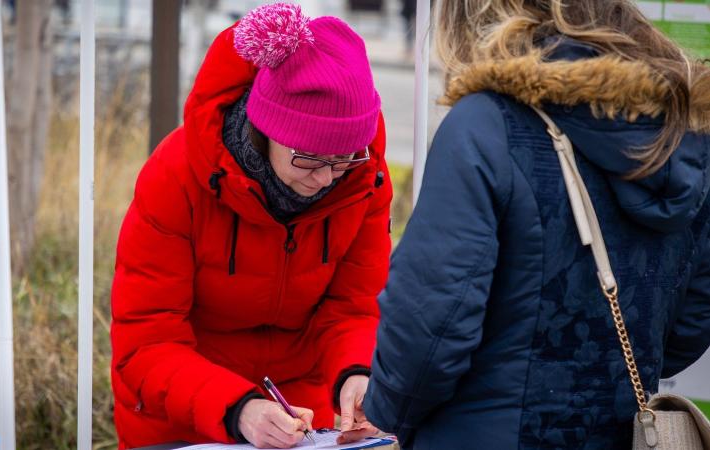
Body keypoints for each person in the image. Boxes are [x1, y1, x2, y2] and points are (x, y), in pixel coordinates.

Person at [363, 1, 710, 449]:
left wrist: (388, 411)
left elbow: (428, 330)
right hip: (621, 432)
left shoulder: (488, 125)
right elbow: (688, 327)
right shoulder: (687, 135)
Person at [110, 4, 392, 449]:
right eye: (309, 159)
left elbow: (353, 308)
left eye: (342, 160)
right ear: (265, 129)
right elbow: (146, 342)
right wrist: (238, 408)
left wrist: (356, 374)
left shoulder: (363, 179)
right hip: (183, 414)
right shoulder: (176, 176)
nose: (324, 178)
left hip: (304, 415)